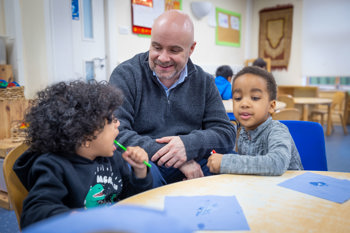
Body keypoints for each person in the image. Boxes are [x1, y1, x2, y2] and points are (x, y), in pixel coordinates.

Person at [109, 10, 235, 185]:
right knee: (141, 170)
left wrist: (188, 146)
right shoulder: (126, 75)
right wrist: (175, 157)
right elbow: (116, 132)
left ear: (191, 49)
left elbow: (226, 133)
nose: (163, 57)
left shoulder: (204, 81)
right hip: (148, 162)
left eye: (174, 50)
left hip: (194, 160)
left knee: (229, 162)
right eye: (157, 47)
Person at [13, 81, 153, 229]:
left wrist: (140, 172)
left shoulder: (113, 158)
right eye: (111, 120)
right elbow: (33, 214)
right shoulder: (53, 166)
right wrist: (75, 217)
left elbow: (132, 201)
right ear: (85, 137)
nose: (118, 124)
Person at [207, 66, 303, 175]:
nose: (244, 104)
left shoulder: (277, 130)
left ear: (271, 106)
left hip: (287, 188)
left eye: (255, 98)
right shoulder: (243, 132)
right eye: (238, 98)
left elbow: (277, 163)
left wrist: (225, 162)